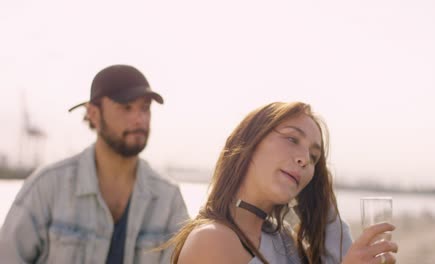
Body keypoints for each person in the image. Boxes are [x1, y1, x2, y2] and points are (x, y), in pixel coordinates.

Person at [163, 101, 398, 264]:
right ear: (249, 142)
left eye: (314, 157)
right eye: (292, 138)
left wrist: (320, 197)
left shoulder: (284, 241)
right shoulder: (212, 240)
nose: (305, 159)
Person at [0, 64, 190, 263]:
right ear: (93, 114)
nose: (139, 119)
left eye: (145, 108)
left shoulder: (168, 199)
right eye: (126, 107)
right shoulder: (46, 187)